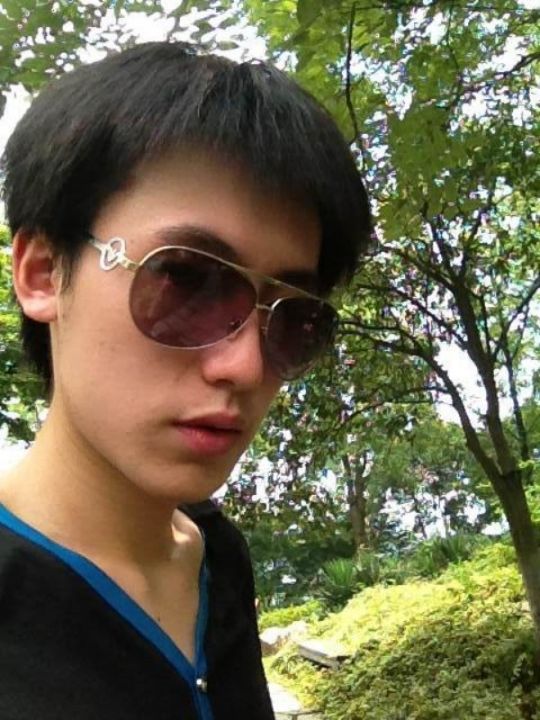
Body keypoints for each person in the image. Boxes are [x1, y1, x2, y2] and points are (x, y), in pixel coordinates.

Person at [0, 42, 371, 719]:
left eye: (293, 317)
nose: (246, 366)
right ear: (44, 272)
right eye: (186, 280)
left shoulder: (216, 557)